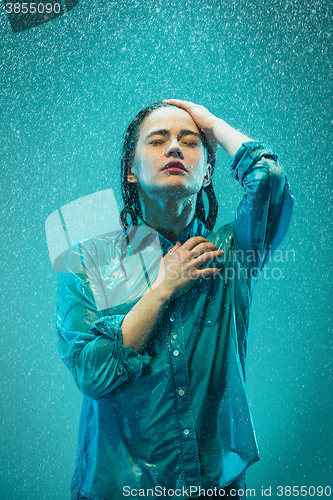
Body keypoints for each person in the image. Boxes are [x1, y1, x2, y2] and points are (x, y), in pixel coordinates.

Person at [56, 99, 293, 500]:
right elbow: (91, 373)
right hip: (115, 491)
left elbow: (267, 176)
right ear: (130, 171)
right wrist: (163, 287)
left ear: (207, 173)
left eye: (189, 141)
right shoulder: (88, 259)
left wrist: (213, 124)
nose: (175, 148)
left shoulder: (230, 254)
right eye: (158, 140)